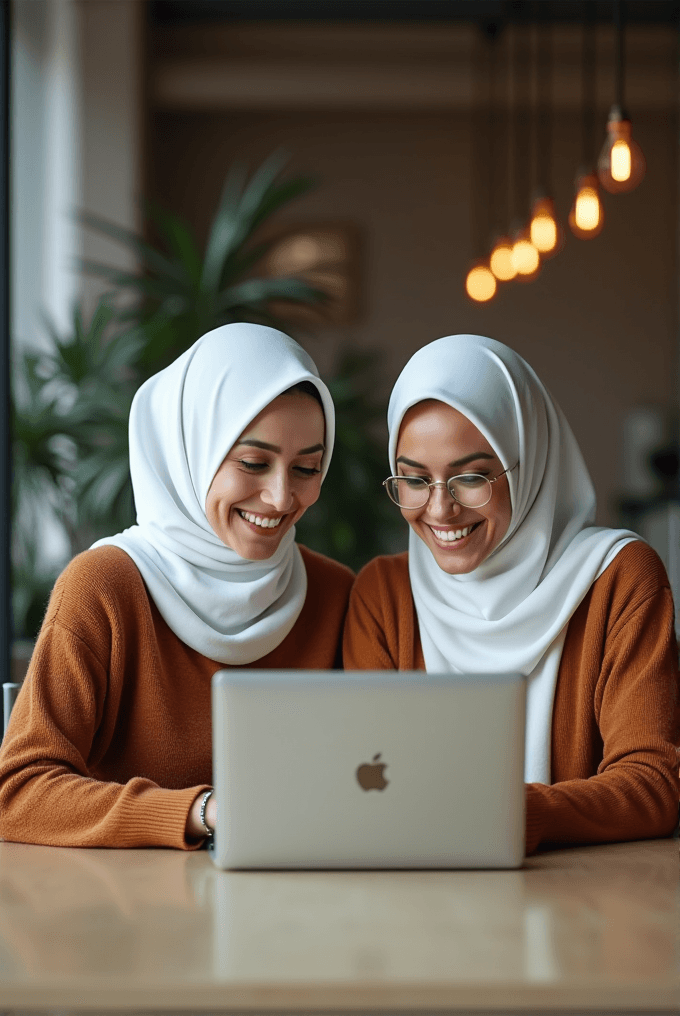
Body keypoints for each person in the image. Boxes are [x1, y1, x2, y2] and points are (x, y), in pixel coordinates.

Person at [0, 323, 353, 849]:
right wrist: (203, 812)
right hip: (125, 914)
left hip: (294, 911)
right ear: (190, 450)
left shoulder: (335, 593)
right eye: (253, 463)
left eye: (307, 467)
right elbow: (17, 793)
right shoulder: (105, 588)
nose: (282, 497)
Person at [344, 334, 680, 855]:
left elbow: (654, 784)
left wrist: (517, 813)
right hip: (418, 900)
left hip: (587, 904)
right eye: (413, 480)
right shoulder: (384, 595)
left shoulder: (617, 579)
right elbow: (369, 780)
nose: (439, 511)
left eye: (471, 477)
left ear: (532, 460)